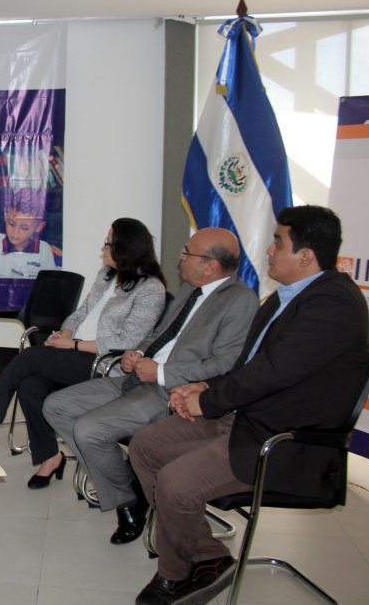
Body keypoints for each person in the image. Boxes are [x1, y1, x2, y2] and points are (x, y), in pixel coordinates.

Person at [128, 206, 369, 605]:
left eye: (278, 242)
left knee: (175, 483)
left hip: (283, 439)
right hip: (245, 418)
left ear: (306, 256)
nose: (269, 250)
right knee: (145, 446)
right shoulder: (284, 298)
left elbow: (272, 373)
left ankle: (175, 576)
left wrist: (206, 401)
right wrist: (205, 386)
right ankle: (208, 556)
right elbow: (248, 367)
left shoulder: (333, 305)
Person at [43, 227, 258, 545]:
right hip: (136, 376)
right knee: (56, 406)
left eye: (187, 252)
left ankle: (127, 502)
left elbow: (223, 365)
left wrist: (160, 372)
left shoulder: (240, 301)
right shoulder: (190, 289)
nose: (180, 257)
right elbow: (158, 334)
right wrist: (137, 353)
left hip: (172, 391)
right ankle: (128, 486)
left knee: (89, 430)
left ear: (210, 266)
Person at [0, 218, 167, 488]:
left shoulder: (151, 289)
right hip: (76, 350)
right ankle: (50, 456)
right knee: (29, 384)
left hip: (104, 364)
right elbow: (81, 313)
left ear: (125, 248)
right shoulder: (107, 275)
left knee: (30, 357)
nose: (103, 247)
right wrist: (66, 334)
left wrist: (75, 345)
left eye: (108, 242)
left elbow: (128, 340)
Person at [0, 188, 58, 275]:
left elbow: (51, 282)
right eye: (11, 223)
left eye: (24, 228)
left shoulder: (44, 250)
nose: (15, 232)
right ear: (6, 215)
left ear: (39, 227)